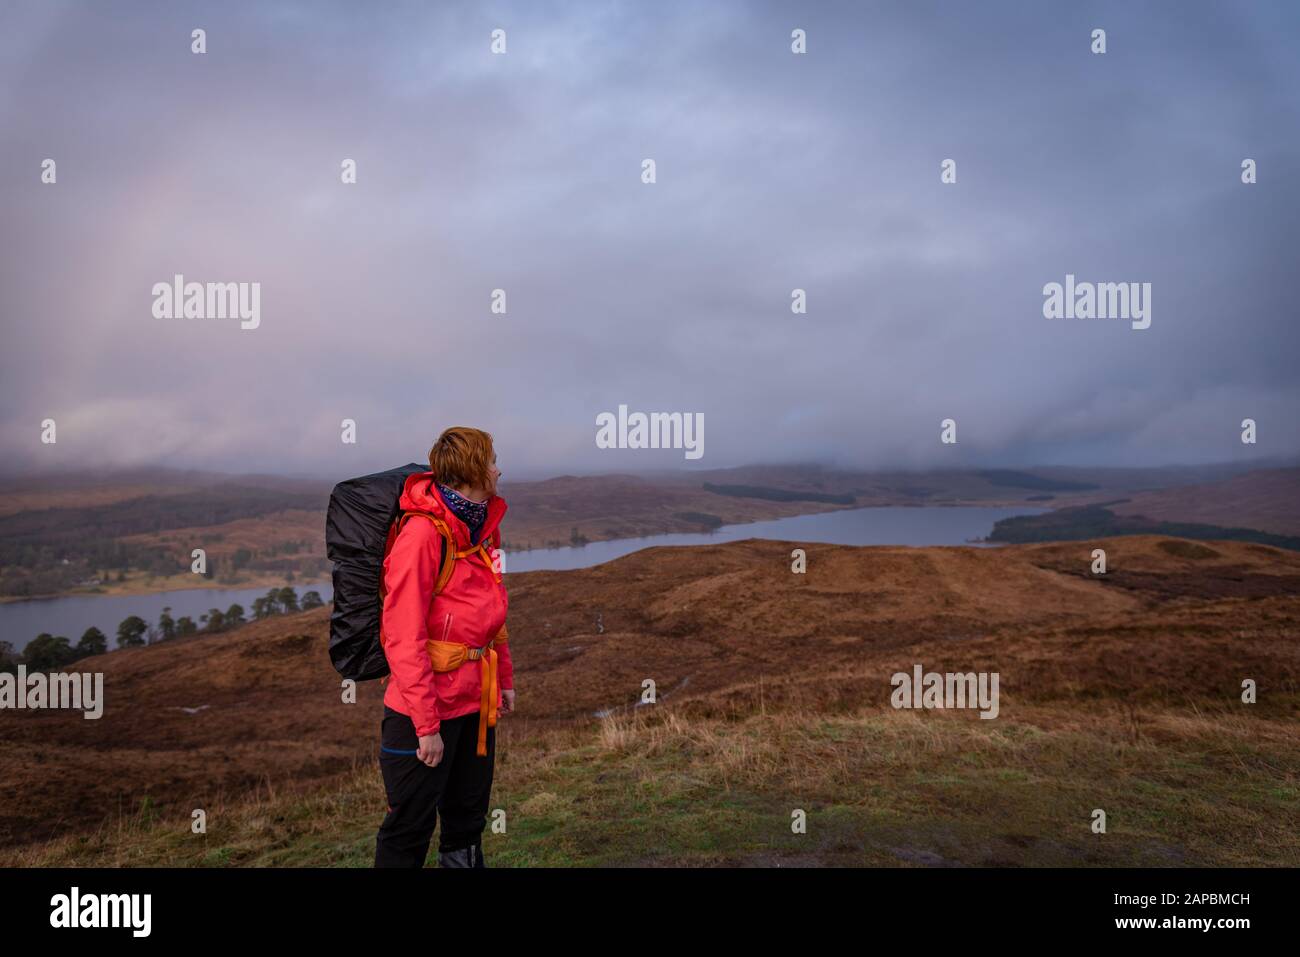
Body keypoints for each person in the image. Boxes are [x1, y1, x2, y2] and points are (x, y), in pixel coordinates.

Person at [373, 427, 515, 868]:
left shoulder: (483, 531)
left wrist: (504, 679)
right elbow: (403, 634)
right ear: (473, 469)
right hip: (424, 714)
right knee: (410, 828)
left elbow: (494, 615)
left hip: (474, 706)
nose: (498, 469)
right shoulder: (422, 535)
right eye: (491, 461)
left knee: (466, 821)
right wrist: (425, 724)